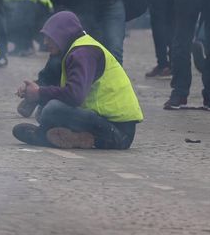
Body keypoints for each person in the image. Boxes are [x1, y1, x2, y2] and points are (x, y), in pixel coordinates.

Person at [13, 11, 143, 150]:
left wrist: (39, 93)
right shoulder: (71, 49)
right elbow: (52, 79)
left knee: (52, 110)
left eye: (49, 38)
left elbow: (75, 96)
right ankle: (74, 137)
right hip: (105, 124)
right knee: (44, 110)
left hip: (118, 133)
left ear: (62, 35)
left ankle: (45, 136)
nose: (45, 42)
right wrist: (34, 89)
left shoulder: (83, 53)